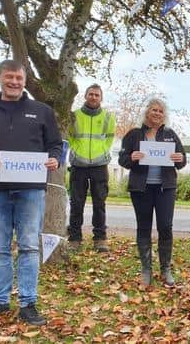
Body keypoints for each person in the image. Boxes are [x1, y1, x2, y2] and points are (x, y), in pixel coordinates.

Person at [0, 60, 62, 325]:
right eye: (9, 77)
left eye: (19, 78)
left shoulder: (42, 112)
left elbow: (55, 145)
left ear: (25, 80)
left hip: (31, 191)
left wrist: (54, 159)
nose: (14, 82)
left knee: (30, 247)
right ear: (0, 79)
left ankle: (28, 304)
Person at [118, 98, 186, 287]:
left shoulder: (171, 135)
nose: (157, 113)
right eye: (154, 110)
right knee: (144, 227)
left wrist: (179, 158)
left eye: (160, 111)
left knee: (165, 226)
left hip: (166, 188)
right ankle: (146, 269)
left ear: (164, 115)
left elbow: (182, 162)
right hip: (142, 188)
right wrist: (131, 157)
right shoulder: (134, 135)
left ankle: (165, 269)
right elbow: (122, 159)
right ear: (147, 112)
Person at [67, 84, 116, 253]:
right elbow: (70, 137)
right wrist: (75, 152)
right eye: (91, 94)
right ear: (85, 96)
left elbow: (109, 139)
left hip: (99, 165)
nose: (93, 97)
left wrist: (102, 152)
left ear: (101, 98)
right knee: (76, 203)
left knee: (99, 203)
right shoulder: (74, 116)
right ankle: (74, 238)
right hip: (78, 165)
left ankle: (100, 239)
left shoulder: (108, 117)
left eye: (97, 95)